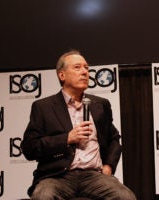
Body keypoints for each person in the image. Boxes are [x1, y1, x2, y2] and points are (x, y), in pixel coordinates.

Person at [21, 50, 136, 200]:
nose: (84, 72)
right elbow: (29, 148)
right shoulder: (43, 107)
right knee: (43, 196)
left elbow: (114, 139)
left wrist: (109, 166)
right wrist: (67, 138)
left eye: (86, 68)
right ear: (62, 75)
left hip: (94, 176)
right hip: (57, 176)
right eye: (77, 67)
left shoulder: (100, 104)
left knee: (126, 196)